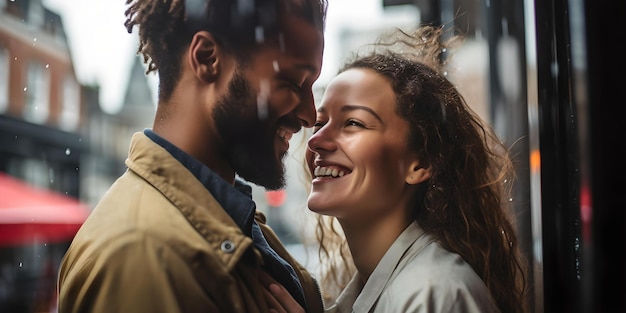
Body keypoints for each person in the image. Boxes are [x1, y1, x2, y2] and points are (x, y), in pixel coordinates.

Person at [57, 0, 328, 312]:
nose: (310, 115)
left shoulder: (226, 224)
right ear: (207, 58)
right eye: (294, 82)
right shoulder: (143, 255)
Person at [266, 25, 529, 313]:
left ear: (421, 164)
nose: (316, 140)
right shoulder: (385, 288)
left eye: (353, 123)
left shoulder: (435, 294)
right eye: (319, 123)